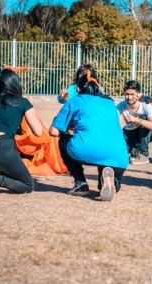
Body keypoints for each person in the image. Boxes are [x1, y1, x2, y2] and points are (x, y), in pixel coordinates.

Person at [50, 71, 128, 201]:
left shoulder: (75, 101)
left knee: (64, 139)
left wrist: (67, 128)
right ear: (99, 88)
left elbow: (53, 131)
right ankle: (111, 182)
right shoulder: (110, 102)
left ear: (78, 89)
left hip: (85, 149)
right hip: (118, 155)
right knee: (107, 163)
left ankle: (81, 184)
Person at [0, 69, 42, 197]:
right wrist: (29, 108)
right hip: (2, 148)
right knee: (28, 185)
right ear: (17, 84)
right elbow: (38, 131)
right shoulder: (22, 102)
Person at [116, 80, 152, 165]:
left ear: (138, 94)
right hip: (131, 133)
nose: (129, 97)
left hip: (148, 133)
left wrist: (136, 119)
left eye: (132, 94)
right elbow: (110, 117)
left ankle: (143, 154)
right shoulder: (122, 105)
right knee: (119, 153)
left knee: (144, 117)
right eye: (127, 94)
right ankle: (134, 151)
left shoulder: (146, 105)